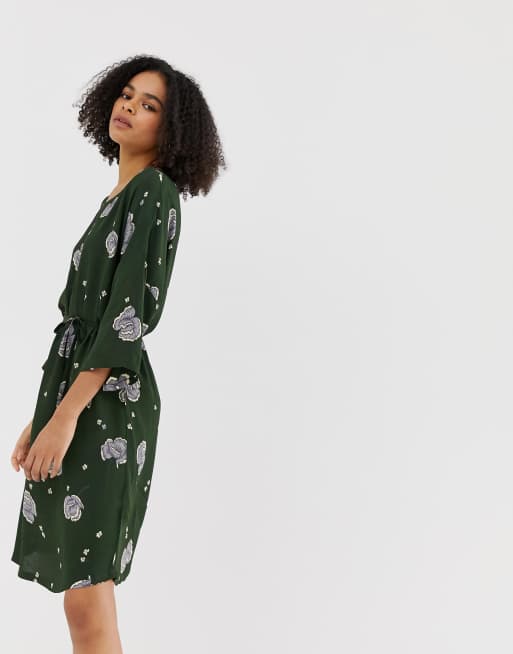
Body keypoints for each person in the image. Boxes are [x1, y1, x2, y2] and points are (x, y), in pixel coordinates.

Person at [9, 53, 227, 653]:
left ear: (170, 128)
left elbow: (125, 322)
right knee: (79, 592)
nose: (129, 106)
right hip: (80, 394)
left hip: (107, 403)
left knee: (88, 590)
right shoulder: (119, 195)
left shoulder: (153, 192)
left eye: (149, 104)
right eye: (127, 94)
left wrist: (65, 417)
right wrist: (44, 416)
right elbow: (86, 324)